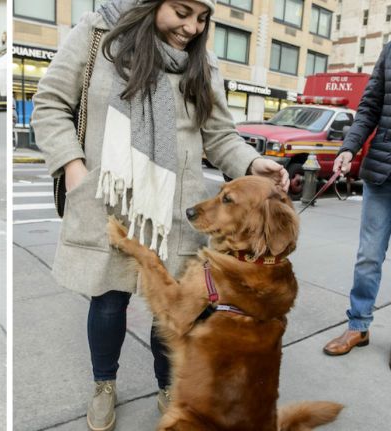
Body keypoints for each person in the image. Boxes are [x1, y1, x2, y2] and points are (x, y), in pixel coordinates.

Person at [31, 1, 289, 430]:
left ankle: (169, 385)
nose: (191, 27)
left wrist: (249, 163)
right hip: (111, 199)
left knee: (172, 308)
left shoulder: (202, 62)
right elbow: (50, 103)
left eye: (202, 18)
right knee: (109, 301)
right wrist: (75, 170)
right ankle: (104, 384)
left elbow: (219, 133)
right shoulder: (99, 33)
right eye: (182, 12)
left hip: (178, 208)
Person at [322, 42, 391, 362]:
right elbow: (369, 107)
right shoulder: (390, 51)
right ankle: (358, 326)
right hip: (382, 172)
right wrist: (348, 148)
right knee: (368, 257)